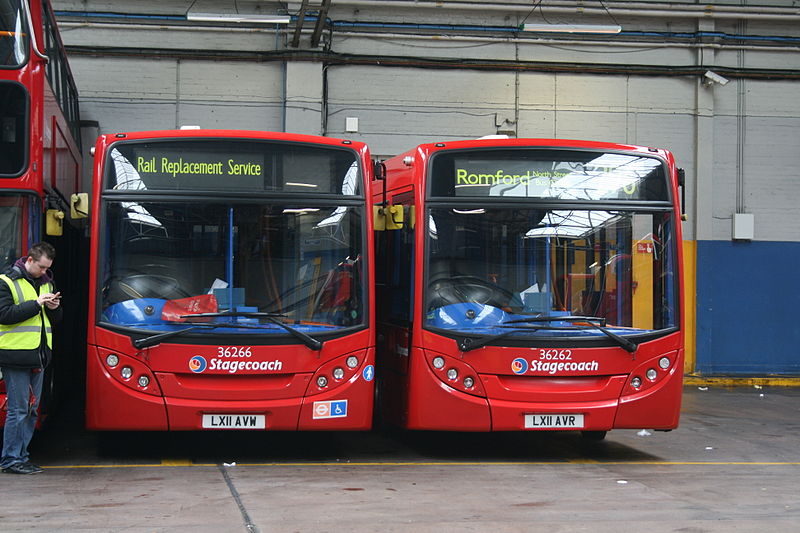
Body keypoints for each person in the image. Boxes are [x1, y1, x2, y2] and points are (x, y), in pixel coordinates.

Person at [0, 242, 62, 474]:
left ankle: (21, 456)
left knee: (32, 410)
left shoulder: (46, 283)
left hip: (39, 355)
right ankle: (10, 459)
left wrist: (54, 308)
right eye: (41, 267)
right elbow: (4, 315)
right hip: (14, 355)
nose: (45, 272)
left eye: (48, 268)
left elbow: (54, 321)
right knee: (18, 409)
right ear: (29, 260)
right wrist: (36, 304)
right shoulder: (6, 282)